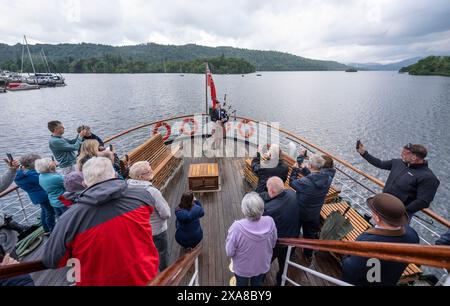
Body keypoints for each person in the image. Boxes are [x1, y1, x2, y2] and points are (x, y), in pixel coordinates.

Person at [41, 157, 159, 286]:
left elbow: (52, 260)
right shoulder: (143, 196)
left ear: (84, 184)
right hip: (146, 276)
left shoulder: (69, 219)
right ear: (115, 175)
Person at [342, 193, 420, 286]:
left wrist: (347, 256)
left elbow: (351, 270)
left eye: (373, 212)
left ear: (378, 218)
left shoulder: (369, 244)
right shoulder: (413, 235)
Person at [357, 142, 440, 218]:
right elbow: (380, 163)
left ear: (414, 158)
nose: (401, 155)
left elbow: (423, 202)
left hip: (399, 214)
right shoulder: (398, 163)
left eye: (404, 154)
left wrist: (401, 211)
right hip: (384, 205)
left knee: (392, 234)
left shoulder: (428, 178)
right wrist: (364, 153)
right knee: (377, 227)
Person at [226, 192, 277, 286]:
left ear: (244, 210)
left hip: (243, 269)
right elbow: (273, 243)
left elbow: (230, 252)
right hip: (262, 265)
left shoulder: (236, 228)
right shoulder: (270, 221)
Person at [128, 161, 171, 271]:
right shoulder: (152, 192)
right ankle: (165, 276)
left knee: (146, 254)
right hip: (157, 231)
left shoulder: (127, 188)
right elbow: (166, 213)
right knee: (162, 254)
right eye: (148, 171)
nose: (152, 171)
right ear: (140, 177)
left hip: (139, 230)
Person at [289, 154, 332, 262]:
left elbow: (292, 183)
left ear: (311, 166)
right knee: (310, 236)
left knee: (294, 233)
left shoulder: (305, 182)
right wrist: (304, 170)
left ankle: (290, 253)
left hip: (300, 212)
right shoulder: (328, 179)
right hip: (314, 214)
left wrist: (294, 170)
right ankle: (308, 255)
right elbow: (315, 177)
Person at [263, 177, 300, 286]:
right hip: (292, 238)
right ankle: (281, 281)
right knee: (284, 263)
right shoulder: (292, 193)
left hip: (278, 242)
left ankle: (261, 275)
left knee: (266, 260)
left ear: (272, 191)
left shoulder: (268, 210)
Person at [14, 154, 55, 234]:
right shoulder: (32, 175)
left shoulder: (19, 176)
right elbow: (46, 177)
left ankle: (46, 228)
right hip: (44, 196)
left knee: (44, 211)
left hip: (36, 197)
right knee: (50, 212)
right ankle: (52, 229)